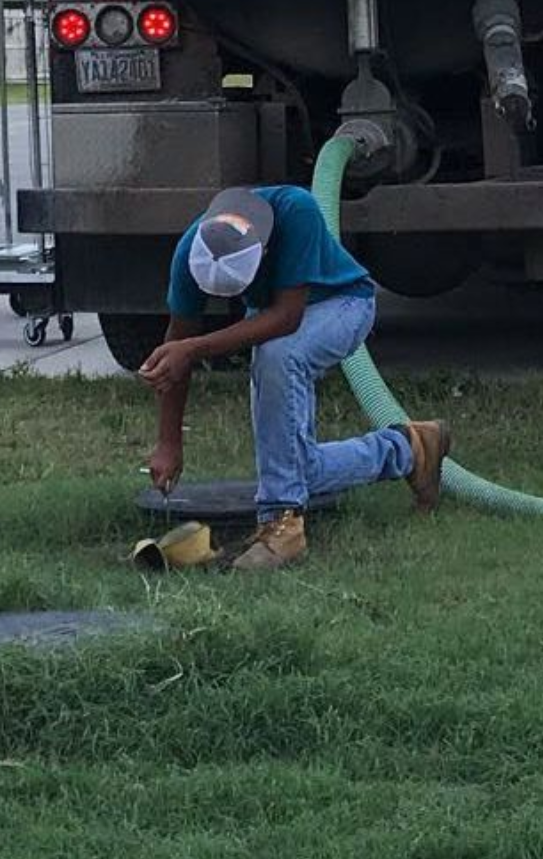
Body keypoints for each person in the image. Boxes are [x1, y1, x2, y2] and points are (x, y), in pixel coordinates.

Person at [141, 184, 450, 571]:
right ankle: (411, 448)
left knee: (277, 355)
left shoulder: (295, 211)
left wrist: (195, 349)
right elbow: (178, 348)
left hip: (343, 303)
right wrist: (168, 443)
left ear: (264, 251)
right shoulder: (191, 250)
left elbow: (287, 317)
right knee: (293, 466)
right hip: (276, 318)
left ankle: (282, 526)